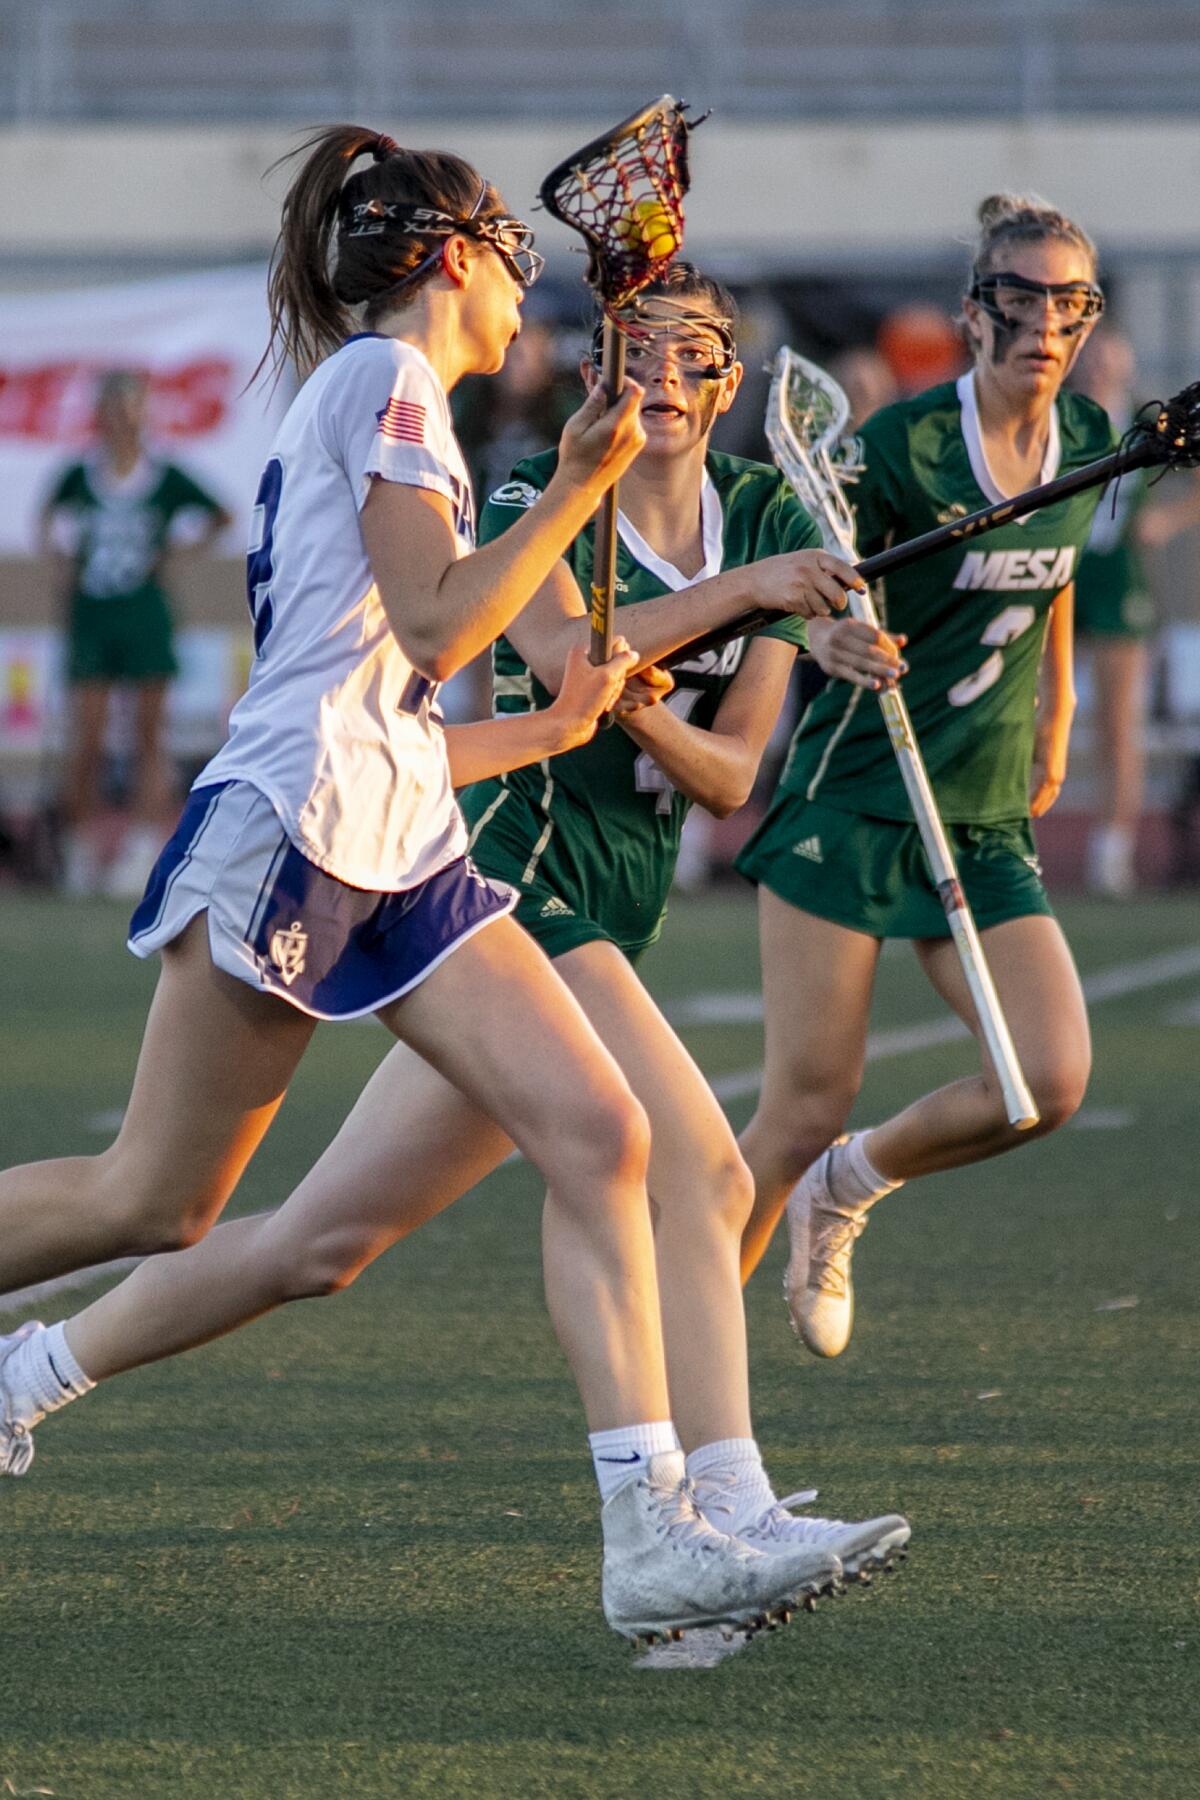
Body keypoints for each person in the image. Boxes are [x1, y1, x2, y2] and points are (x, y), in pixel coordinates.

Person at [0, 129, 858, 1645]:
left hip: (401, 842)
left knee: (602, 1132)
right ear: (451, 258)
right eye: (507, 255)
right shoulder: (388, 385)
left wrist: (552, 726)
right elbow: (442, 625)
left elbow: (397, 696)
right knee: (160, 1199)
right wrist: (580, 478)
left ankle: (653, 1535)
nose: (526, 284)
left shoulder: (413, 411)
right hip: (294, 833)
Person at [735, 194, 1115, 1358]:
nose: (1044, 322)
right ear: (975, 313)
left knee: (1042, 1080)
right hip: (857, 799)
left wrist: (1053, 723)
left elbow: (1047, 576)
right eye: (1021, 297)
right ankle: (673, 1365)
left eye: (1069, 301)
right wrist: (830, 638)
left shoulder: (1091, 439)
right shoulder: (901, 447)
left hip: (985, 812)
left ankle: (849, 1188)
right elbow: (807, 578)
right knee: (801, 1106)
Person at [40, 369, 232, 899]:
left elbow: (221, 514)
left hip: (145, 614)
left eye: (133, 409)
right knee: (89, 738)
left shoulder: (164, 477)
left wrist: (177, 555)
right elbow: (47, 521)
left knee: (149, 736)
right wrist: (59, 563)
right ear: (99, 417)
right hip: (92, 616)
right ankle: (80, 854)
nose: (123, 420)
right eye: (114, 409)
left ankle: (145, 848)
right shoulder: (79, 477)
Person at [1072, 327, 1200, 897]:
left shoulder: (1149, 420)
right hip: (1061, 567)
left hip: (1119, 573)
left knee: (1119, 720)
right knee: (1025, 704)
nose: (1099, 365)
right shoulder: (1063, 415)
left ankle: (1113, 847)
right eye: (1091, 355)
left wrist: (1166, 521)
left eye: (1109, 355)